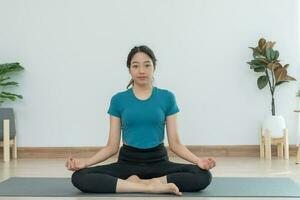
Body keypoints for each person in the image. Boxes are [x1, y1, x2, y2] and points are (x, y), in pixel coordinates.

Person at [65, 45, 216, 196]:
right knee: (79, 177)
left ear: (154, 67)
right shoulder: (118, 100)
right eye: (135, 66)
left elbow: (175, 143)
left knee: (203, 176)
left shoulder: (167, 97)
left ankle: (137, 183)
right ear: (129, 69)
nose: (141, 70)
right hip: (127, 163)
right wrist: (85, 163)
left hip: (159, 162)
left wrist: (198, 161)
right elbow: (111, 147)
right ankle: (149, 186)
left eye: (147, 65)